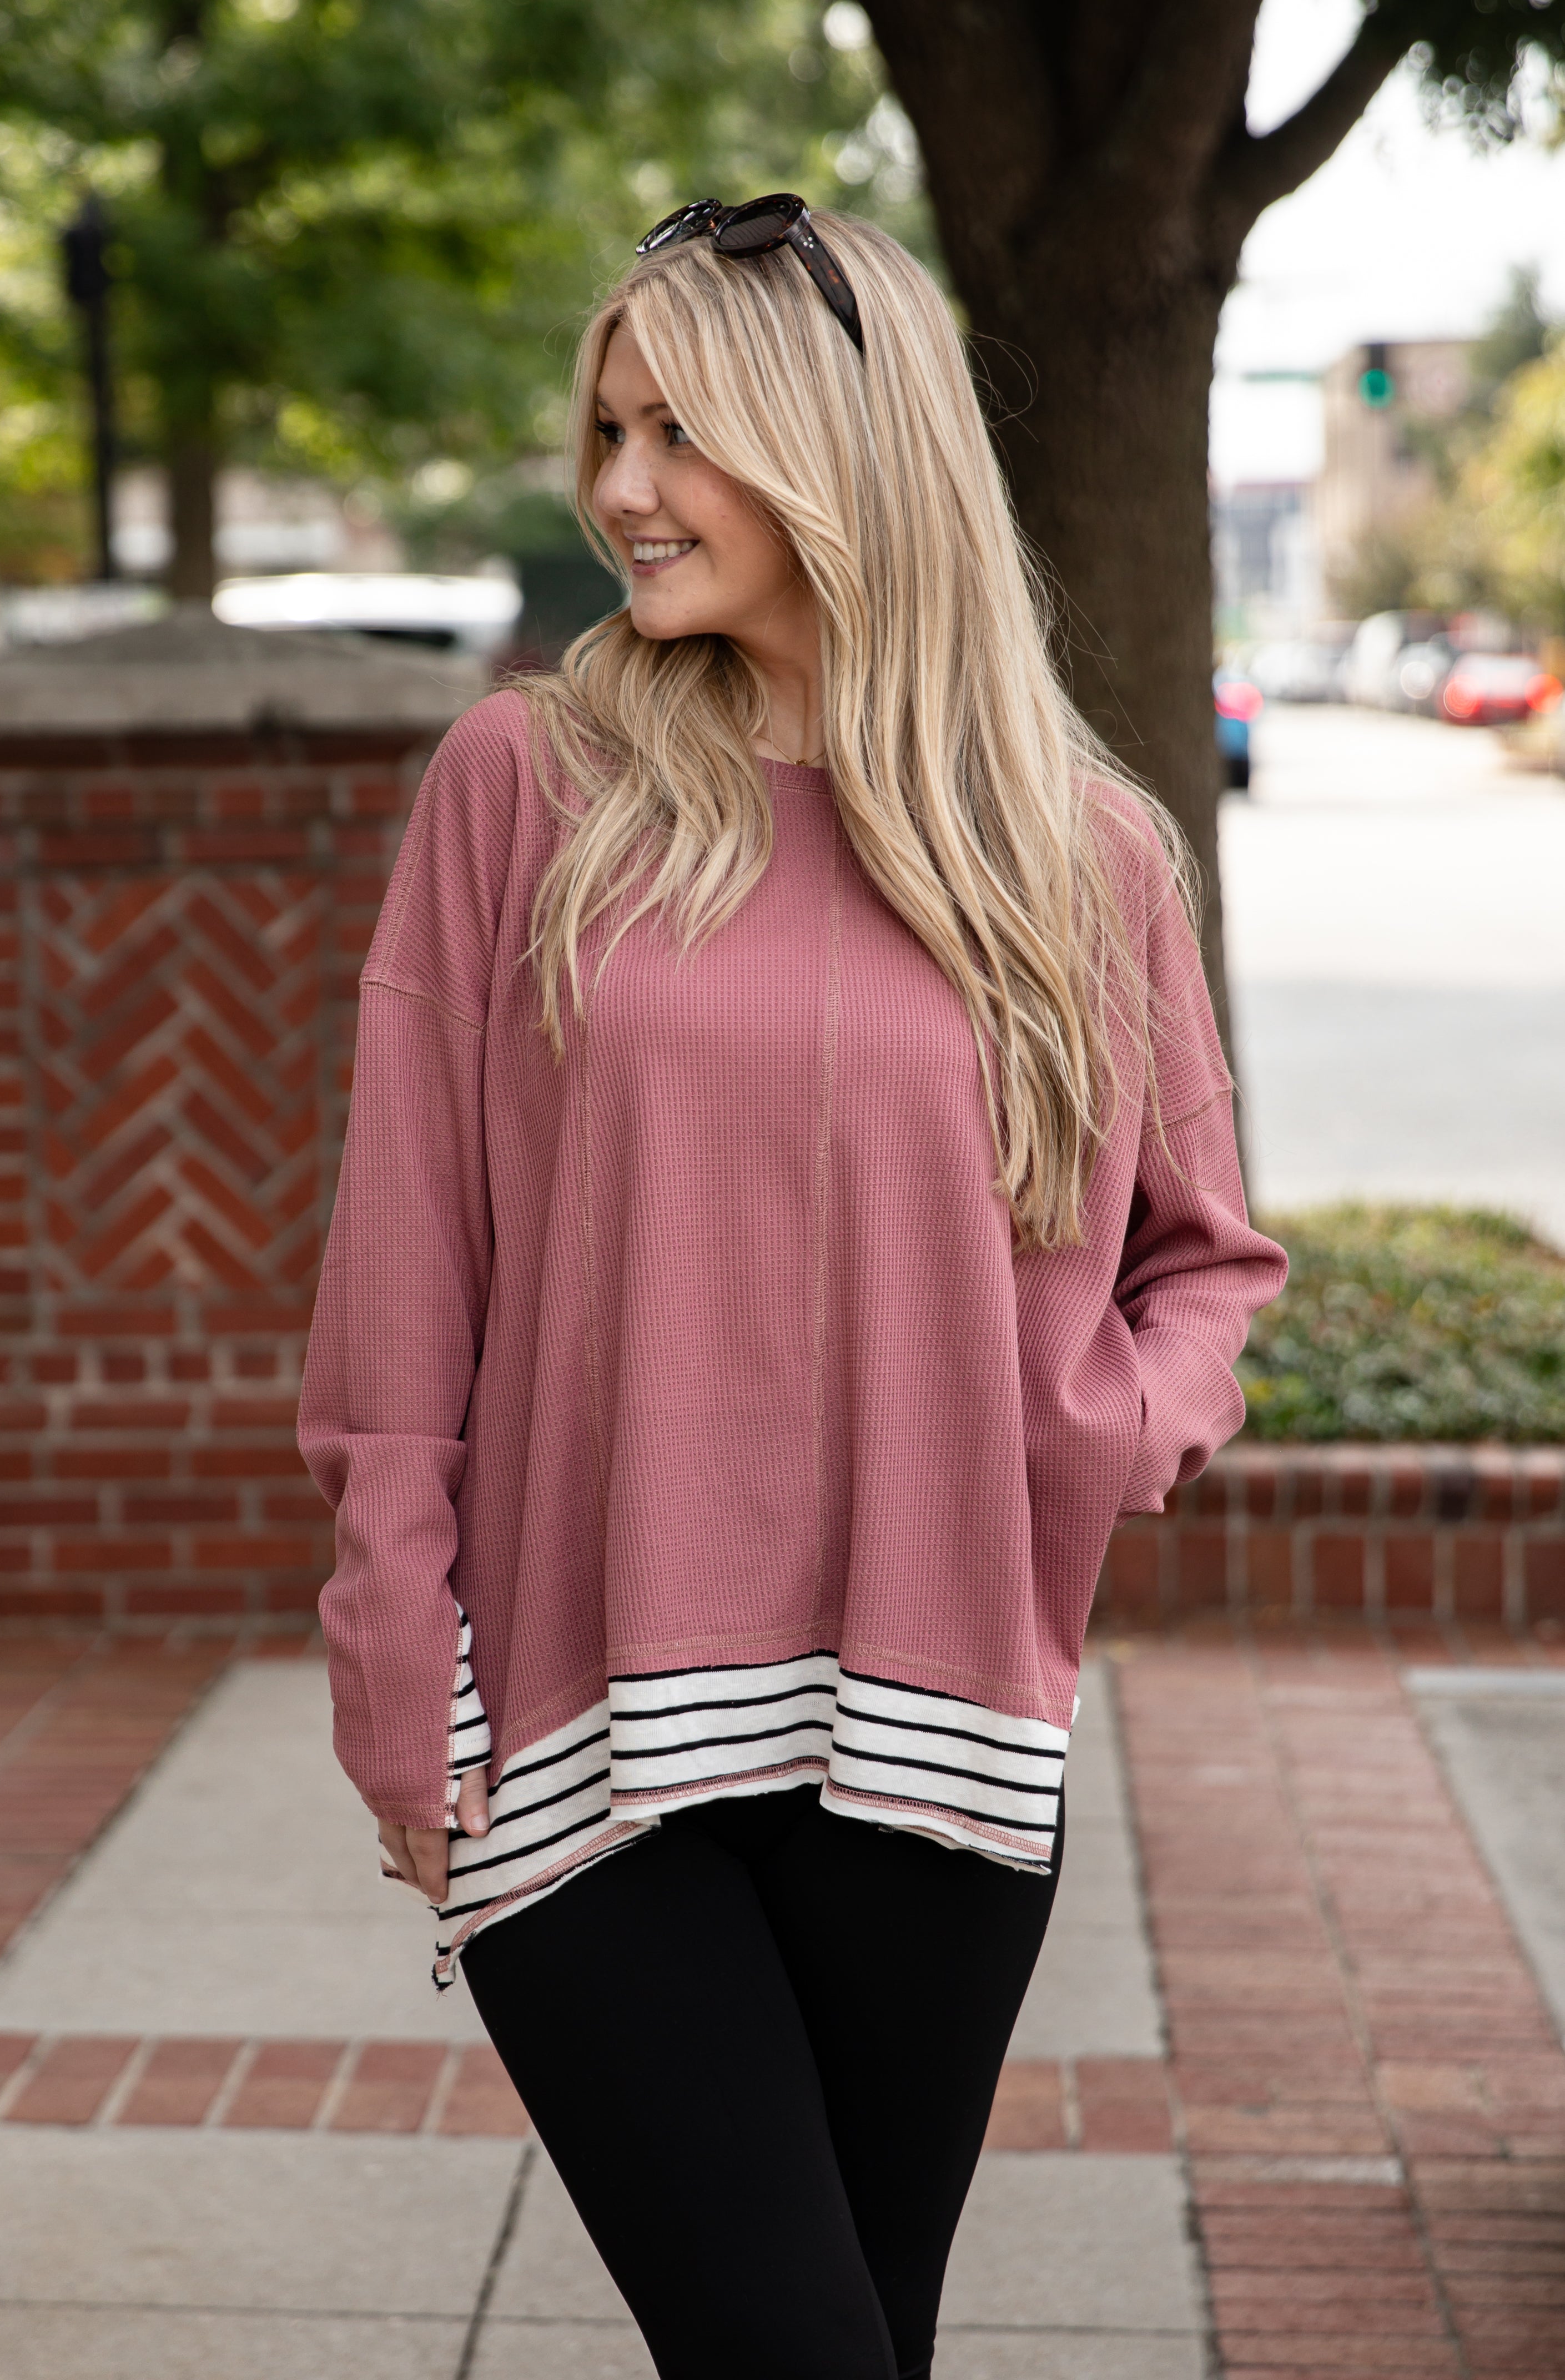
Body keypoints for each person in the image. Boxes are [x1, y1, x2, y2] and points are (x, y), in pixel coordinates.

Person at [299, 195, 1286, 2380]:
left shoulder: (1077, 848)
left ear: (845, 448)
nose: (623, 488)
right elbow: (402, 1270)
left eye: (681, 433)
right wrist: (393, 1641)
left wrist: (1098, 1430)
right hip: (579, 1730)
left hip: (935, 1733)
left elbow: (1208, 1255)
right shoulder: (525, 785)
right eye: (609, 430)